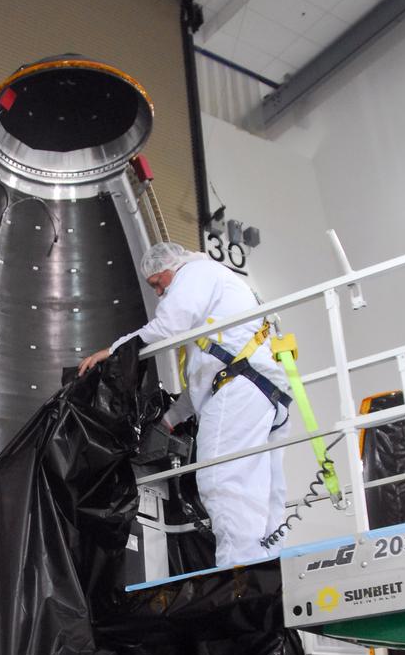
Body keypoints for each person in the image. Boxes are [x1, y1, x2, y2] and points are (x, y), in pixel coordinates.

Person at [79, 242, 291, 566]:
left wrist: (113, 351)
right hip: (264, 391)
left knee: (221, 479)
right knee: (263, 486)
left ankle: (239, 573)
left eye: (156, 283)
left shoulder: (193, 273)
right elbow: (198, 390)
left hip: (239, 388)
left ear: (168, 267)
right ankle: (271, 564)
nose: (159, 291)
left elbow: (166, 326)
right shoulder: (217, 304)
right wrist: (167, 421)